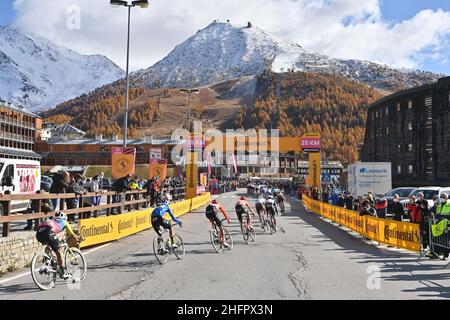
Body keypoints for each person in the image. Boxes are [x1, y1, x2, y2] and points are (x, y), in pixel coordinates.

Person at [35, 211, 79, 279]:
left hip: (39, 234)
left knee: (49, 245)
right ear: (65, 218)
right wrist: (78, 239)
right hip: (48, 232)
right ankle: (63, 272)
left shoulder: (52, 220)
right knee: (58, 252)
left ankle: (47, 261)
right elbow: (72, 235)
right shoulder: (64, 222)